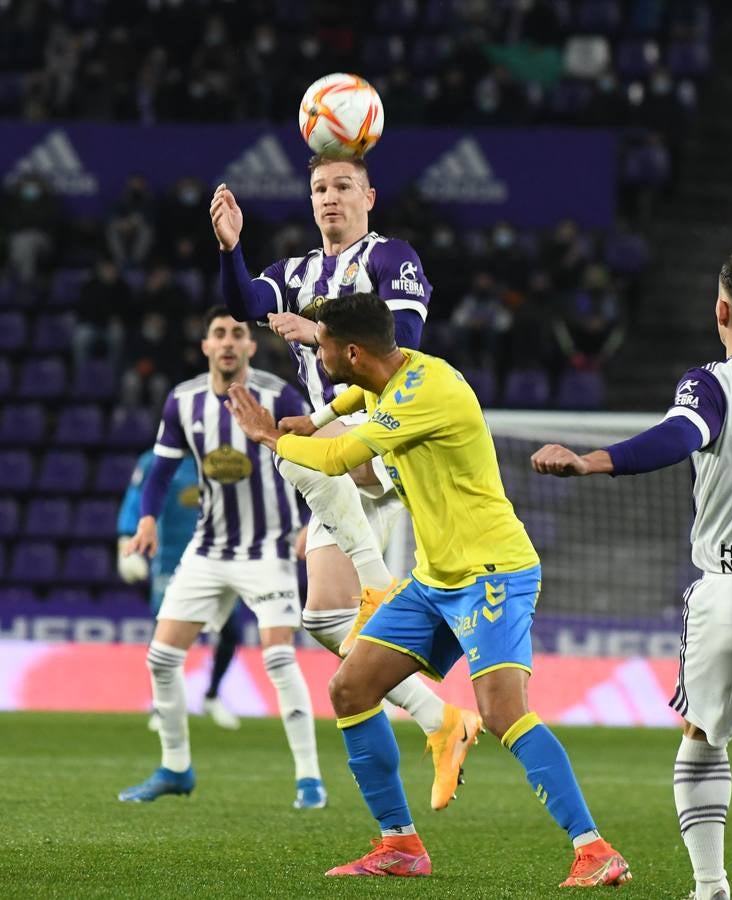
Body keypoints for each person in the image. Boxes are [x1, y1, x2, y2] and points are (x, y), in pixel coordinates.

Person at [225, 292, 630, 886]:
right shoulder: (397, 369)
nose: (318, 355)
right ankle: (400, 846)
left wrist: (269, 436)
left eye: (324, 346)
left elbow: (338, 458)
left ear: (353, 351)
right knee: (350, 688)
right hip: (435, 577)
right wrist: (312, 418)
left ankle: (595, 850)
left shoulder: (425, 394)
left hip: (491, 571)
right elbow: (357, 394)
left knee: (501, 713)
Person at [210, 155, 482, 810]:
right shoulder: (298, 271)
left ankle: (394, 586)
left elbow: (404, 339)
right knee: (325, 615)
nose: (329, 198)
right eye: (318, 189)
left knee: (290, 449)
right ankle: (442, 720)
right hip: (335, 448)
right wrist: (231, 248)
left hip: (386, 435)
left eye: (341, 187)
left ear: (369, 196)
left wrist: (322, 330)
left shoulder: (392, 257)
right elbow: (244, 302)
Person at [530, 244, 732, 900]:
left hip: (727, 590)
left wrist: (589, 461)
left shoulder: (713, 383)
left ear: (720, 308)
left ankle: (709, 887)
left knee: (702, 737)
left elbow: (678, 435)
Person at [118, 306, 325, 810]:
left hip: (270, 548)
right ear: (206, 346)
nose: (229, 342)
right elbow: (161, 471)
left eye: (238, 333)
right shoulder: (183, 401)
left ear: (251, 346)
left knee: (278, 656)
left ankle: (309, 779)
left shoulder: (279, 395)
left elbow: (320, 457)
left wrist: (312, 521)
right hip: (208, 549)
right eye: (219, 334)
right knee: (162, 659)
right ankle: (175, 768)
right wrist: (146, 519)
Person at [117, 449, 243, 730]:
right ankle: (162, 705)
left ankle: (212, 695)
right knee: (165, 636)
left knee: (230, 631)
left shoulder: (224, 456)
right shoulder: (155, 460)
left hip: (220, 558)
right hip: (170, 559)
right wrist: (126, 537)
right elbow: (135, 499)